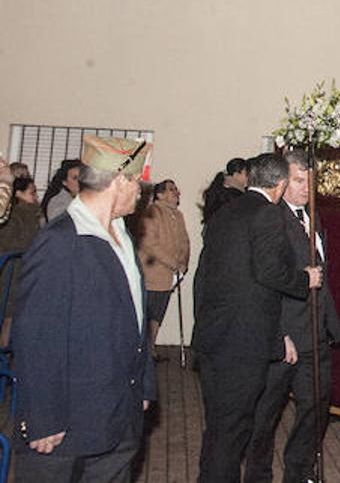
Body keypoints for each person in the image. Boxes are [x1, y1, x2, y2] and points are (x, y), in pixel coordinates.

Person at [12, 135, 157, 481]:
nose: (140, 189)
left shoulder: (121, 234)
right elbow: (35, 334)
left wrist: (144, 386)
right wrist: (43, 417)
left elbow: (135, 318)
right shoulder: (61, 241)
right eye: (136, 181)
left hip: (118, 414)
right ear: (119, 181)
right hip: (68, 422)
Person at [194, 153, 322, 483]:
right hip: (243, 342)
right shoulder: (266, 214)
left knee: (219, 429)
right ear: (279, 185)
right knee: (234, 431)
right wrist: (303, 279)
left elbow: (207, 275)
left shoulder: (226, 212)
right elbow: (270, 273)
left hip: (213, 336)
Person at [245, 151, 340, 483]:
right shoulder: (271, 220)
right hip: (284, 336)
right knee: (266, 414)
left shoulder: (314, 218)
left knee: (316, 407)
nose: (306, 189)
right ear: (282, 182)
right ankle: (257, 475)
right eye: (299, 181)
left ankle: (299, 471)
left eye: (310, 182)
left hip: (316, 334)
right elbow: (265, 282)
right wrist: (280, 332)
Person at [136, 179, 191, 353]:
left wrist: (183, 262)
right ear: (160, 194)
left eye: (176, 189)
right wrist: (172, 262)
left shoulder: (178, 215)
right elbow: (149, 243)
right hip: (152, 274)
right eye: (171, 189)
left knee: (158, 314)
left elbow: (184, 241)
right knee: (148, 314)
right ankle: (143, 350)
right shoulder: (152, 212)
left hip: (169, 276)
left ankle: (150, 349)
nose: (177, 192)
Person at [0, 170, 43, 346]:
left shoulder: (30, 214)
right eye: (32, 193)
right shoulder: (16, 216)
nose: (36, 197)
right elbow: (16, 246)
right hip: (11, 280)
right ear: (18, 193)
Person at [202, 157, 249, 225]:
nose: (248, 178)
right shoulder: (232, 195)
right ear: (236, 174)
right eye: (246, 174)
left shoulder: (220, 190)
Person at [41, 157, 81, 222]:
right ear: (64, 182)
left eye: (83, 176)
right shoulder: (58, 202)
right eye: (75, 178)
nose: (80, 181)